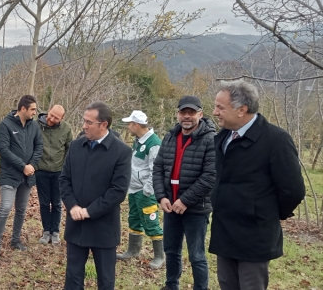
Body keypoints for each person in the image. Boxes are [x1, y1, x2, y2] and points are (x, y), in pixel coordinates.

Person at [209, 80, 305, 290]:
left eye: (220, 107)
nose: (215, 112)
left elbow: (293, 190)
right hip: (224, 230)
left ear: (242, 109)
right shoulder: (223, 137)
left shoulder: (276, 140)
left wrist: (264, 212)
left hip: (254, 234)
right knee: (227, 284)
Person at [60, 101, 131, 290]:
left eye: (89, 122)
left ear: (104, 125)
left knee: (106, 280)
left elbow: (118, 191)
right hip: (76, 225)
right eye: (84, 121)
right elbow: (64, 180)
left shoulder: (121, 152)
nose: (84, 126)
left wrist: (89, 211)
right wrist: (73, 206)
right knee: (73, 278)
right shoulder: (75, 147)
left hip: (104, 228)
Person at [152, 96, 216, 290]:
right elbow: (158, 168)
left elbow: (210, 176)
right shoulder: (170, 136)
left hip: (196, 208)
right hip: (170, 206)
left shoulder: (210, 139)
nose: (187, 116)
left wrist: (185, 200)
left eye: (191, 112)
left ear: (200, 114)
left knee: (196, 255)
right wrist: (161, 196)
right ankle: (171, 285)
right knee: (171, 251)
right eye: (183, 112)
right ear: (178, 114)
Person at [0, 95, 43, 259]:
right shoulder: (5, 125)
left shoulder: (34, 126)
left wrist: (32, 165)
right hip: (10, 175)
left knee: (21, 209)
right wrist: (22, 166)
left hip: (28, 176)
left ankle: (15, 240)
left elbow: (39, 146)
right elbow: (4, 150)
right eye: (32, 109)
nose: (35, 112)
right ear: (23, 109)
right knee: (5, 208)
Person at [116, 110, 164, 269]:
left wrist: (147, 190)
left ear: (136, 125)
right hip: (134, 189)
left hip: (146, 192)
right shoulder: (139, 140)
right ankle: (133, 250)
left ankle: (159, 256)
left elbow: (155, 170)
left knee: (151, 222)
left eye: (129, 124)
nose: (128, 127)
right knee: (134, 219)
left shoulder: (153, 143)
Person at [36, 105, 73, 245]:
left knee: (57, 203)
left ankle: (55, 232)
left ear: (62, 118)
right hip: (41, 171)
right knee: (44, 203)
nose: (51, 119)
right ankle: (46, 231)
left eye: (56, 118)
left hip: (59, 172)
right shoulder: (36, 126)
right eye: (51, 115)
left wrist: (66, 169)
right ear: (48, 111)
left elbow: (70, 150)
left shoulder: (66, 129)